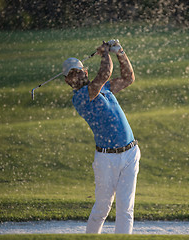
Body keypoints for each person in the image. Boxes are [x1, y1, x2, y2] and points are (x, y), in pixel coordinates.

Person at [63, 39, 140, 234]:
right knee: (102, 208)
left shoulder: (104, 88)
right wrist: (105, 52)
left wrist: (120, 52)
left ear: (85, 72)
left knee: (125, 207)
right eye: (72, 74)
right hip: (106, 158)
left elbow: (128, 77)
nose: (77, 76)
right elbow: (105, 73)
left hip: (130, 153)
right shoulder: (81, 97)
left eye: (79, 71)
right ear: (67, 81)